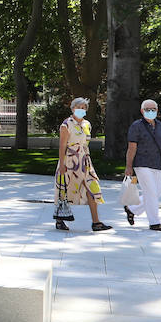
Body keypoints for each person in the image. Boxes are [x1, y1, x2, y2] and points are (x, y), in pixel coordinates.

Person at [55, 97, 110, 232]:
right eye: (79, 107)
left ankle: (96, 222)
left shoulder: (87, 124)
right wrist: (62, 164)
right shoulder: (66, 125)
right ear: (73, 108)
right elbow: (62, 146)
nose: (81, 110)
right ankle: (60, 219)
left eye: (84, 107)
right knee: (64, 189)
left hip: (84, 161)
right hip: (69, 161)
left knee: (93, 188)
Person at [123, 98, 161, 232]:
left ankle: (131, 209)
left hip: (156, 164)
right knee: (150, 192)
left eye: (153, 109)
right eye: (147, 109)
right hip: (142, 164)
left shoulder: (159, 125)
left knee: (157, 193)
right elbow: (131, 147)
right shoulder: (136, 126)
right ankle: (154, 222)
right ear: (142, 111)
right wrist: (128, 166)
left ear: (157, 111)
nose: (150, 111)